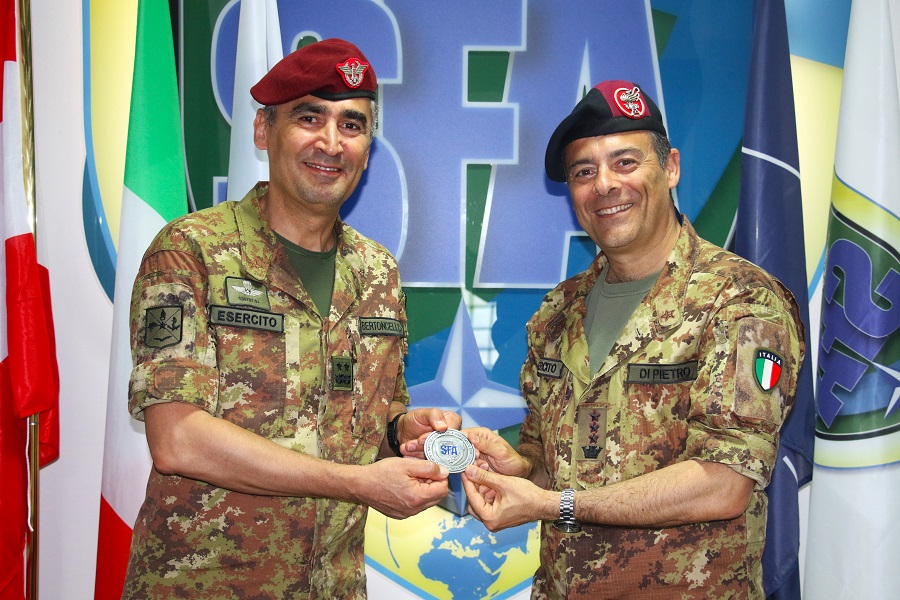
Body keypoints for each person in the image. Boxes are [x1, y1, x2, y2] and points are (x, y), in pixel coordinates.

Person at [121, 38, 460, 599]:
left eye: (351, 125)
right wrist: (357, 483)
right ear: (263, 130)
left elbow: (373, 422)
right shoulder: (192, 250)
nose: (331, 142)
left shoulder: (377, 272)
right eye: (309, 118)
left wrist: (404, 433)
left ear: (368, 148)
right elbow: (178, 439)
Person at [456, 81, 805, 598]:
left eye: (624, 162)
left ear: (671, 168)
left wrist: (554, 504)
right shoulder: (558, 312)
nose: (604, 185)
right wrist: (522, 469)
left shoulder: (739, 300)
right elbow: (553, 460)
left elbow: (724, 482)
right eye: (584, 172)